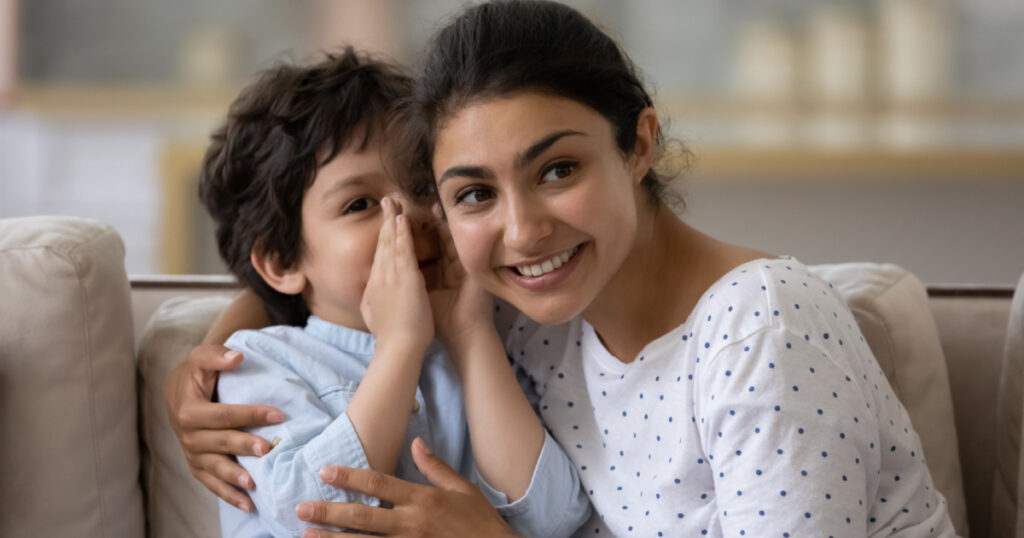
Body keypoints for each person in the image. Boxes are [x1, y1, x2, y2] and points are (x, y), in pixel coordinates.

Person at [167, 2, 958, 536]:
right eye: (473, 193)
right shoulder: (534, 320)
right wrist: (213, 357)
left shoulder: (764, 327)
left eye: (556, 171)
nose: (520, 231)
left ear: (639, 143)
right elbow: (338, 303)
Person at [191, 47, 590, 537]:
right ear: (281, 262)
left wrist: (470, 334)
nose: (408, 213)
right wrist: (400, 346)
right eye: (360, 203)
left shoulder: (485, 341)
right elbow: (310, 510)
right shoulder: (260, 363)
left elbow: (552, 518)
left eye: (422, 186)